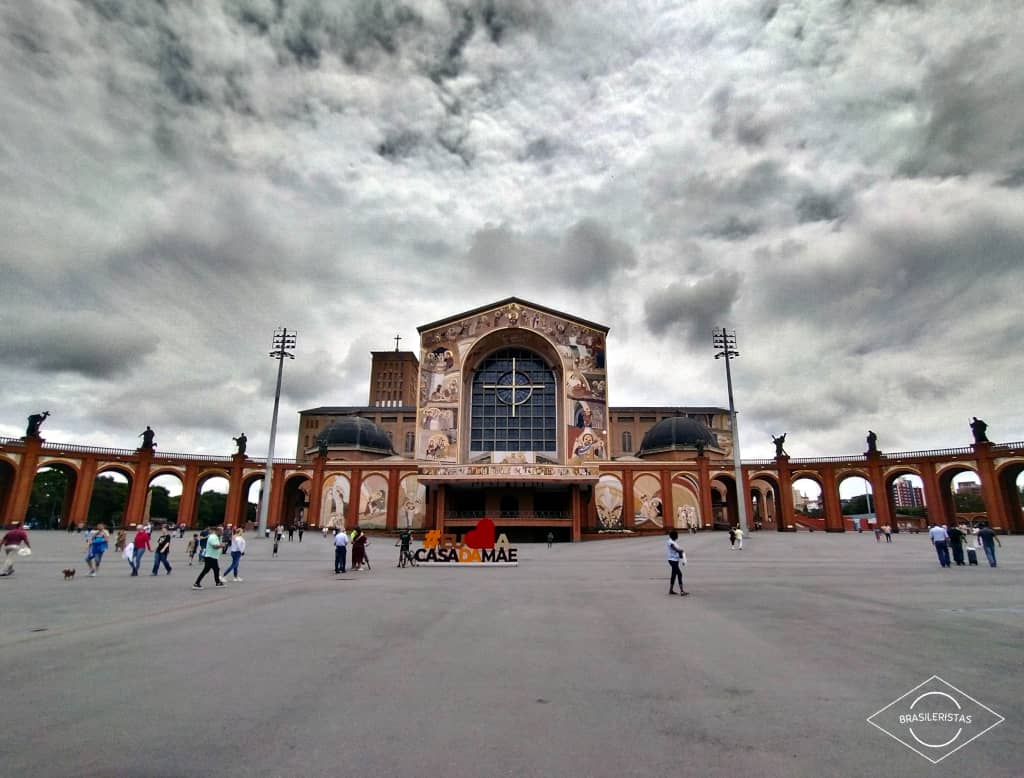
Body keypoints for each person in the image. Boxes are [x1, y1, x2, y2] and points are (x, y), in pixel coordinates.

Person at [665, 530, 689, 596]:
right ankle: (682, 591)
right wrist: (680, 550)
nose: (677, 537)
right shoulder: (670, 542)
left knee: (674, 575)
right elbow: (675, 549)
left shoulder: (673, 541)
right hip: (672, 560)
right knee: (679, 574)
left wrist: (683, 559)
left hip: (675, 560)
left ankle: (670, 590)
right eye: (676, 535)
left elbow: (678, 551)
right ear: (673, 536)